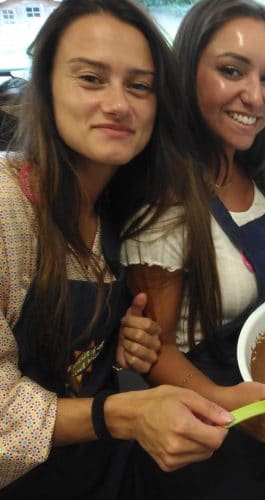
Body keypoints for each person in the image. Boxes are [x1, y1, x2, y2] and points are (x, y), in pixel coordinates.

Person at [0, 1, 235, 497]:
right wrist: (118, 415)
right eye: (91, 78)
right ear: (45, 86)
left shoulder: (117, 209)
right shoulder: (8, 209)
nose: (119, 104)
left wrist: (123, 344)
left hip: (101, 473)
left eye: (139, 86)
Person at [121, 0, 265, 498]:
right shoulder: (166, 203)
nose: (256, 95)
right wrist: (232, 404)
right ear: (187, 74)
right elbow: (157, 352)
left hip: (263, 395)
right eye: (232, 71)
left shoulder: (250, 168)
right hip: (204, 423)